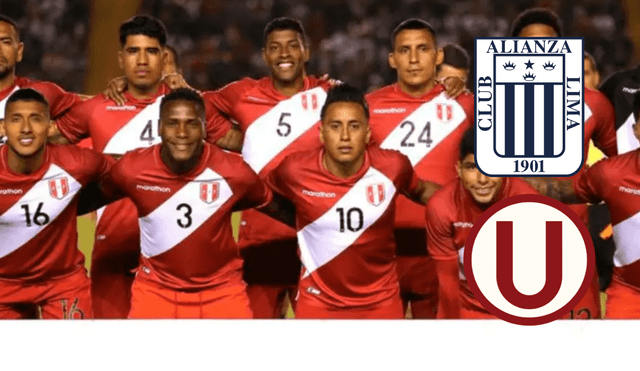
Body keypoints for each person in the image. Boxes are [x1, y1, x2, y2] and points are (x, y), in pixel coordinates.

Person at [51, 15, 235, 319]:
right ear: (121, 59)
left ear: (164, 58)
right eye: (134, 51)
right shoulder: (97, 108)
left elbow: (242, 137)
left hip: (177, 256)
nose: (142, 60)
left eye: (151, 51)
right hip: (113, 250)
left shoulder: (187, 108)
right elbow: (39, 136)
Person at [89, 88, 271, 318]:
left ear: (205, 128)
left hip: (222, 291)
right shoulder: (133, 169)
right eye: (173, 123)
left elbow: (265, 200)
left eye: (192, 124)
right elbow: (90, 200)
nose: (182, 132)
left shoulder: (234, 171)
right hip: (155, 291)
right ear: (160, 128)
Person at [265, 84, 439, 319]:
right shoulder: (294, 170)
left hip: (381, 301)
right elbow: (262, 195)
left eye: (354, 126)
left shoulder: (393, 166)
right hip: (318, 301)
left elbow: (424, 191)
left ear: (367, 133)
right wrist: (298, 220)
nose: (345, 136)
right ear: (321, 132)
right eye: (335, 126)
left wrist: (471, 203)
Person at [365, 19, 474, 318]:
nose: (413, 59)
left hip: (442, 251)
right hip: (382, 252)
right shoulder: (368, 107)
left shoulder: (467, 105)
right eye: (405, 50)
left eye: (423, 49)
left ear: (439, 56)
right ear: (392, 58)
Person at [510, 6, 616, 308]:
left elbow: (621, 165)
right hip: (509, 239)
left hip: (574, 240)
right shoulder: (486, 103)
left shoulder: (593, 103)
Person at [0, 88, 110, 319]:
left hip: (63, 281)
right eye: (16, 119)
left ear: (50, 127)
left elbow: (129, 169)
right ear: (3, 127)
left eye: (36, 119)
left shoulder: (75, 163)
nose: (26, 128)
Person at [524, 120, 640, 318]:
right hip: (629, 294)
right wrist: (504, 177)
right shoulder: (611, 174)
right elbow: (560, 192)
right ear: (636, 129)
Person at [426, 128, 538, 319]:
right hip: (465, 309)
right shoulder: (442, 206)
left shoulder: (528, 202)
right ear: (458, 170)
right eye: (472, 167)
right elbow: (448, 283)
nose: (482, 179)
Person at [0, 15, 82, 143]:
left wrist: (122, 85)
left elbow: (98, 110)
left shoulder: (41, 93)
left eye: (5, 42)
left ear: (19, 51)